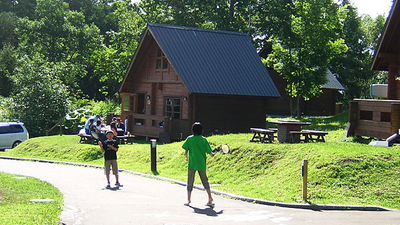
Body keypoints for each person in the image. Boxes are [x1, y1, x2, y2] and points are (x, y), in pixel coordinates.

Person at [182, 122, 215, 207]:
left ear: (192, 130)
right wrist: (212, 154)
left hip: (192, 163)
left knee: (190, 181)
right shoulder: (204, 139)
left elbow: (185, 151)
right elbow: (209, 152)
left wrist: (186, 157)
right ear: (201, 130)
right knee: (205, 181)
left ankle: (189, 200)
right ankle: (210, 198)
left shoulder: (189, 139)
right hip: (201, 163)